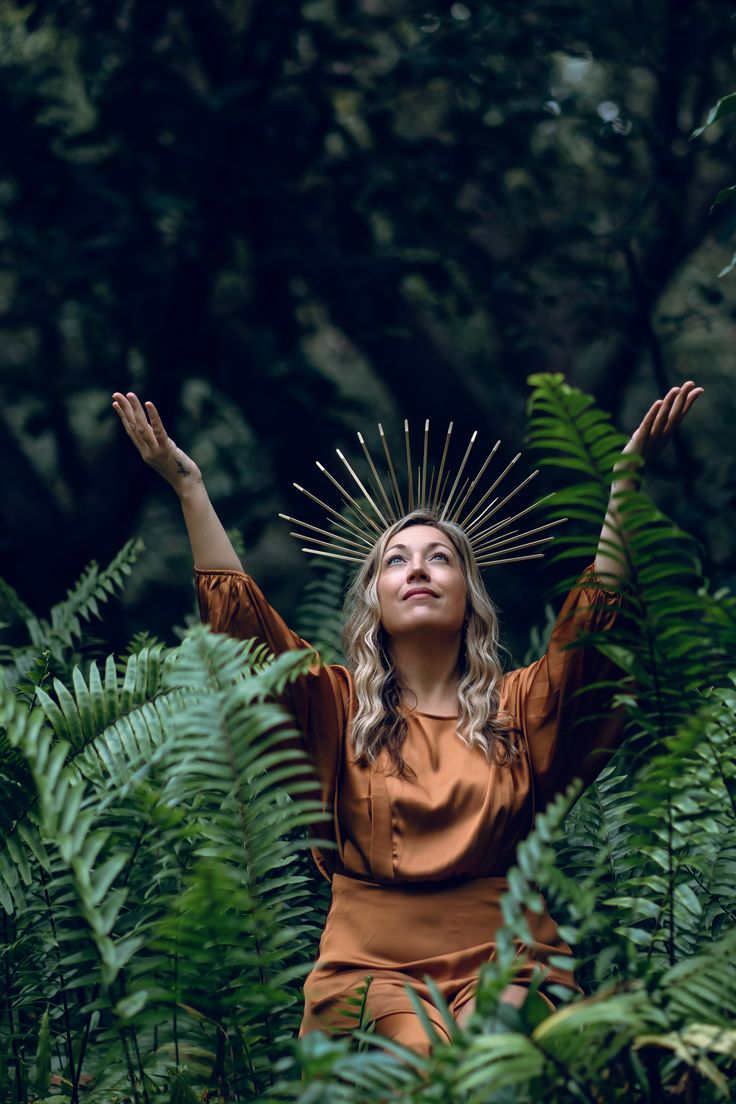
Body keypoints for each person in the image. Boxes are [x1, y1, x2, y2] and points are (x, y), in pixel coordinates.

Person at [112, 381, 702, 1055]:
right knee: (420, 1061)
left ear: (468, 596)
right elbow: (247, 630)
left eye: (439, 557)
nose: (418, 569)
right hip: (369, 967)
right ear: (376, 603)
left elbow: (596, 626)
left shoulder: (519, 708)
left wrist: (623, 482)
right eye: (397, 560)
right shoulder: (333, 706)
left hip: (506, 952)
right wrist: (188, 485)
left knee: (501, 1053)